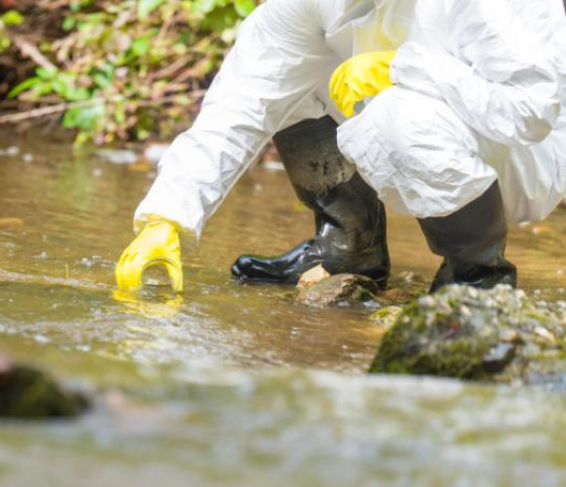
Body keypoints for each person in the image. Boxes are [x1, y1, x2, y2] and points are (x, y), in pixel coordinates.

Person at [115, 0, 566, 295]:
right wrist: (168, 216)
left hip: (525, 156)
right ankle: (350, 250)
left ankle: (477, 281)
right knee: (283, 88)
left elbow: (531, 110)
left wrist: (404, 67)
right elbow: (244, 98)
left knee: (398, 113)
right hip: (420, 119)